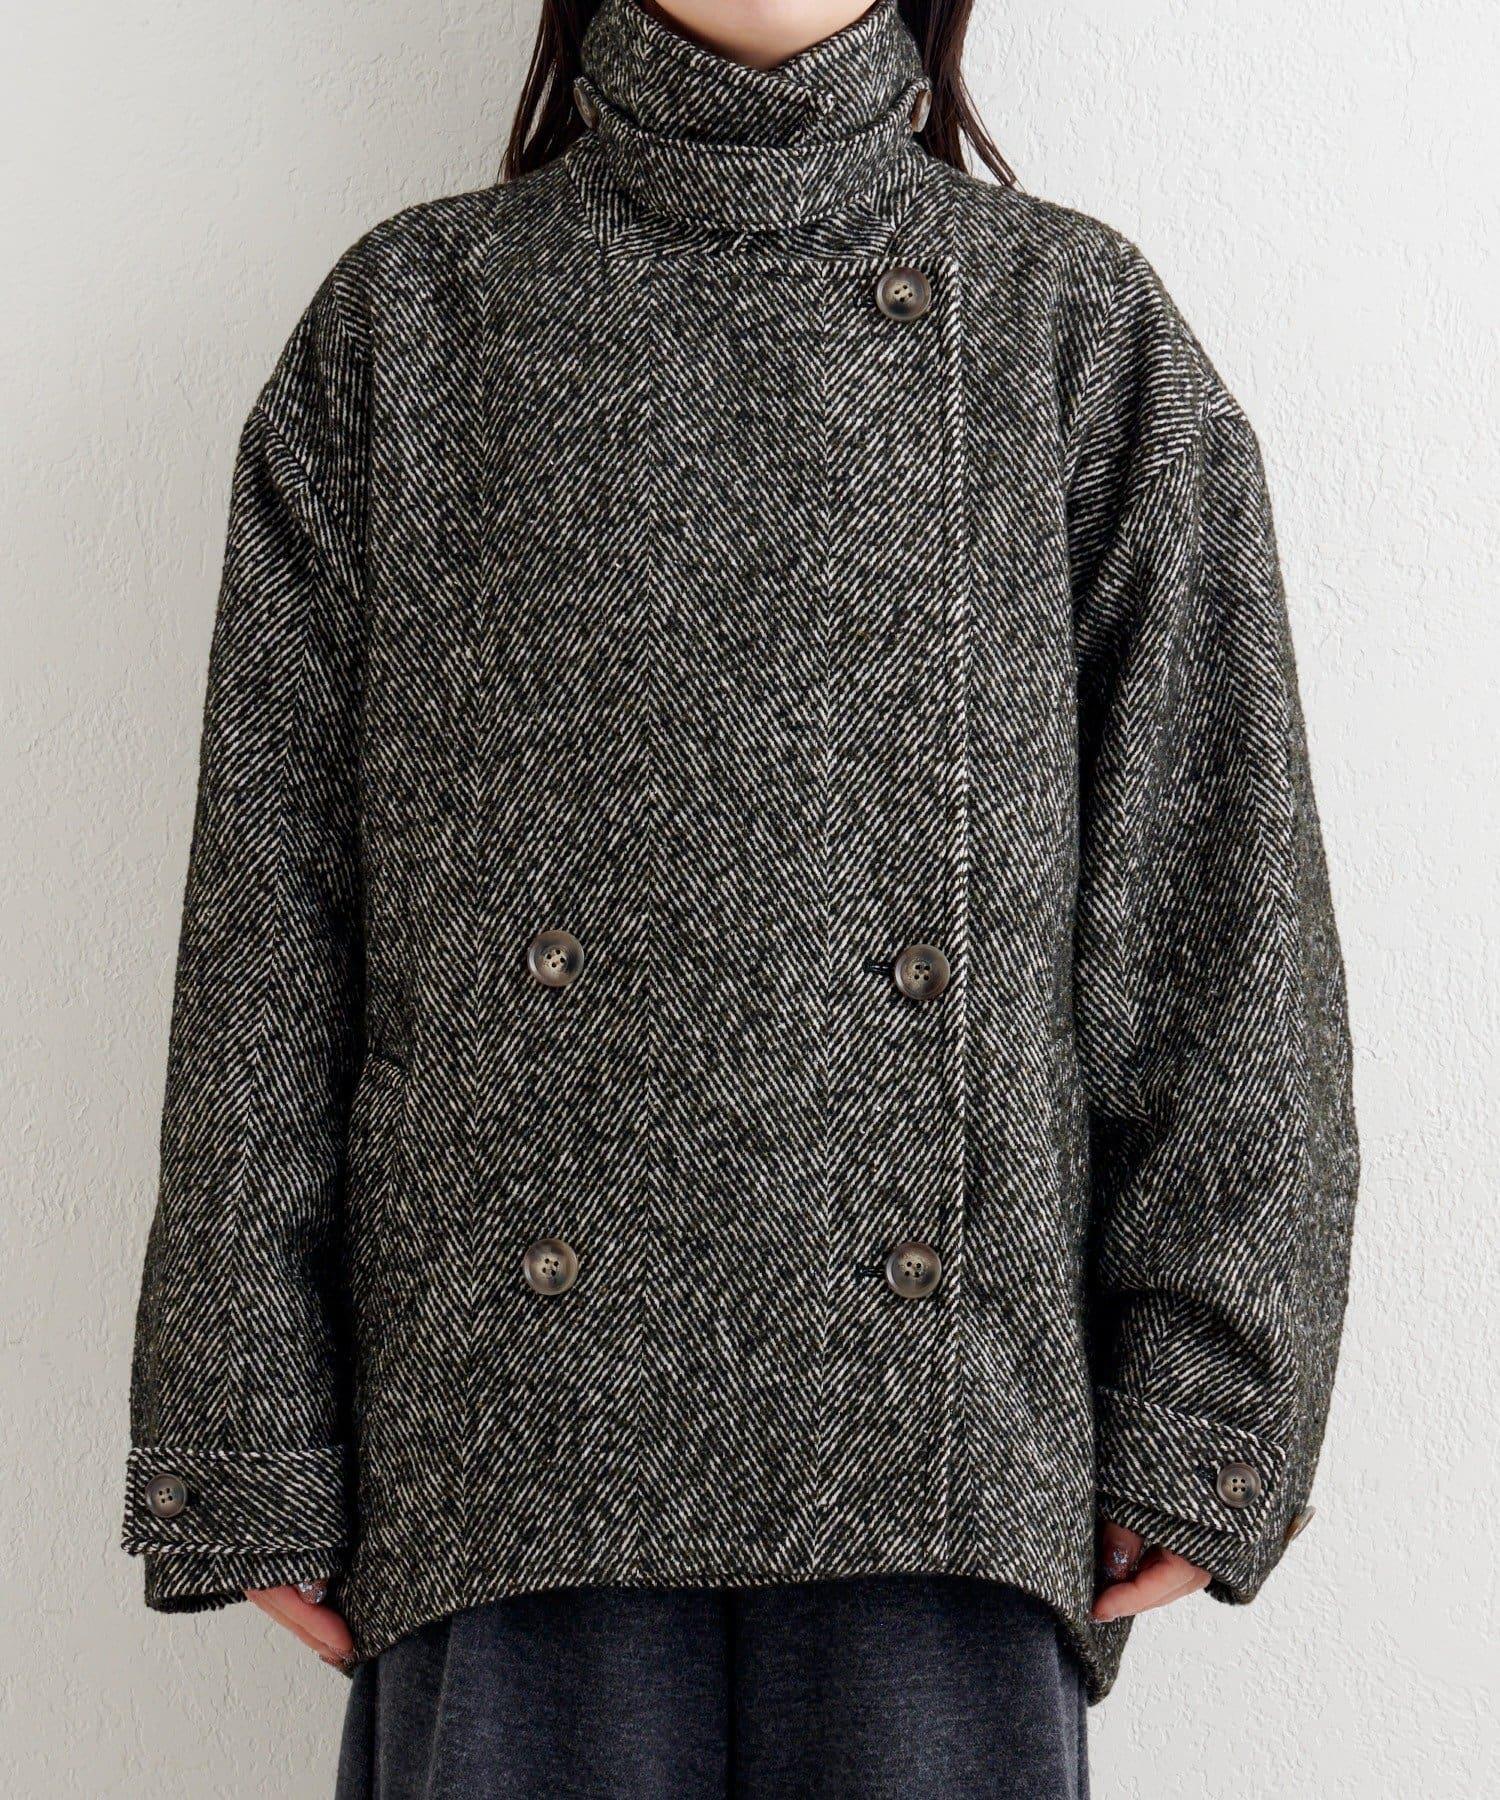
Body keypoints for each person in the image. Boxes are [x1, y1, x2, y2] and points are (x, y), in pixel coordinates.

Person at [120, 0, 1361, 1793]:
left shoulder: (1068, 328)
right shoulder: (410, 327)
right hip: (509, 1460)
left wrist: (1209, 1403)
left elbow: (1224, 915)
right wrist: (242, 1418)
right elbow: (269, 929)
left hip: (945, 1465)